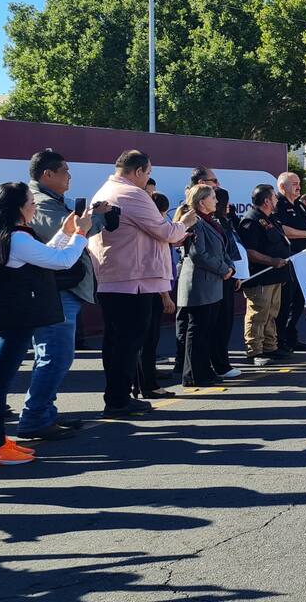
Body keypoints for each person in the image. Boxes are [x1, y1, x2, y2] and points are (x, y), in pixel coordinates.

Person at [0, 182, 89, 466]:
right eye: (30, 202)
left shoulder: (6, 235)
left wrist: (65, 234)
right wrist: (81, 234)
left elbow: (45, 257)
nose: (34, 206)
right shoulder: (17, 238)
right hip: (15, 320)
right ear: (18, 208)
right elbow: (61, 261)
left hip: (7, 318)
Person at [90, 150, 194, 417]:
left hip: (118, 278)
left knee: (117, 342)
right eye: (147, 173)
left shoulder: (106, 190)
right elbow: (165, 231)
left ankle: (117, 396)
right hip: (132, 280)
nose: (147, 179)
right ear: (137, 171)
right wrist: (183, 224)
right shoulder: (133, 194)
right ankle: (118, 399)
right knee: (127, 342)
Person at [20, 149, 113, 439]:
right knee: (55, 356)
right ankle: (35, 417)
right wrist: (95, 219)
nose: (70, 177)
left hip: (60, 288)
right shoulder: (43, 204)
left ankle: (44, 414)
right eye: (65, 171)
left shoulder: (50, 201)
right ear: (47, 175)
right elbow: (65, 241)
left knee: (55, 355)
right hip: (56, 289)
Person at [174, 185, 235, 387]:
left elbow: (223, 248)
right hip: (199, 284)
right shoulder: (195, 222)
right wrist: (222, 268)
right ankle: (193, 374)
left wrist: (229, 266)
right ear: (202, 202)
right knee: (197, 331)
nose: (217, 201)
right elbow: (198, 254)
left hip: (212, 284)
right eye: (213, 198)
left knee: (207, 331)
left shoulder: (212, 221)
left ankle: (204, 370)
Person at [238, 184, 292, 366]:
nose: (277, 200)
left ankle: (270, 347)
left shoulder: (271, 219)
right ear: (267, 200)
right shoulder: (251, 221)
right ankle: (254, 351)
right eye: (274, 197)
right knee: (258, 314)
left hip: (275, 276)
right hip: (261, 276)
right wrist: (272, 261)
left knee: (271, 313)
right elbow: (249, 252)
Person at [135, 191, 178, 399]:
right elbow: (155, 265)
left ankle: (144, 379)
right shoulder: (153, 232)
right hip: (151, 290)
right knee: (148, 340)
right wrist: (165, 296)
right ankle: (148, 384)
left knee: (147, 340)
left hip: (148, 288)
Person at [273, 172, 306, 353]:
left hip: (303, 260)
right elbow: (283, 230)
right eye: (294, 184)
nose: (298, 187)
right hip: (288, 260)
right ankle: (279, 340)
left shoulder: (300, 205)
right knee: (285, 302)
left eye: (299, 183)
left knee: (299, 301)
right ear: (282, 187)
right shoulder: (279, 205)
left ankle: (291, 337)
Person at [211, 187, 243, 378]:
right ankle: (220, 364)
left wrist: (236, 274)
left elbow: (232, 250)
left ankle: (222, 362)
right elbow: (219, 253)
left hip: (230, 276)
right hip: (219, 278)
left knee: (225, 323)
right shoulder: (215, 224)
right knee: (219, 324)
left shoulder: (226, 222)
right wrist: (228, 271)